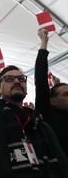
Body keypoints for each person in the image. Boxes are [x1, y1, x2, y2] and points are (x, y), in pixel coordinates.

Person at [0, 9, 68, 178]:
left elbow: (63, 164)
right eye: (9, 79)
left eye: (21, 79)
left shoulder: (41, 124)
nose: (17, 81)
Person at [35, 28, 68, 156]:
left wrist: (58, 85)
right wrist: (44, 42)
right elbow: (41, 79)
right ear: (53, 101)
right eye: (66, 95)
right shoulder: (48, 114)